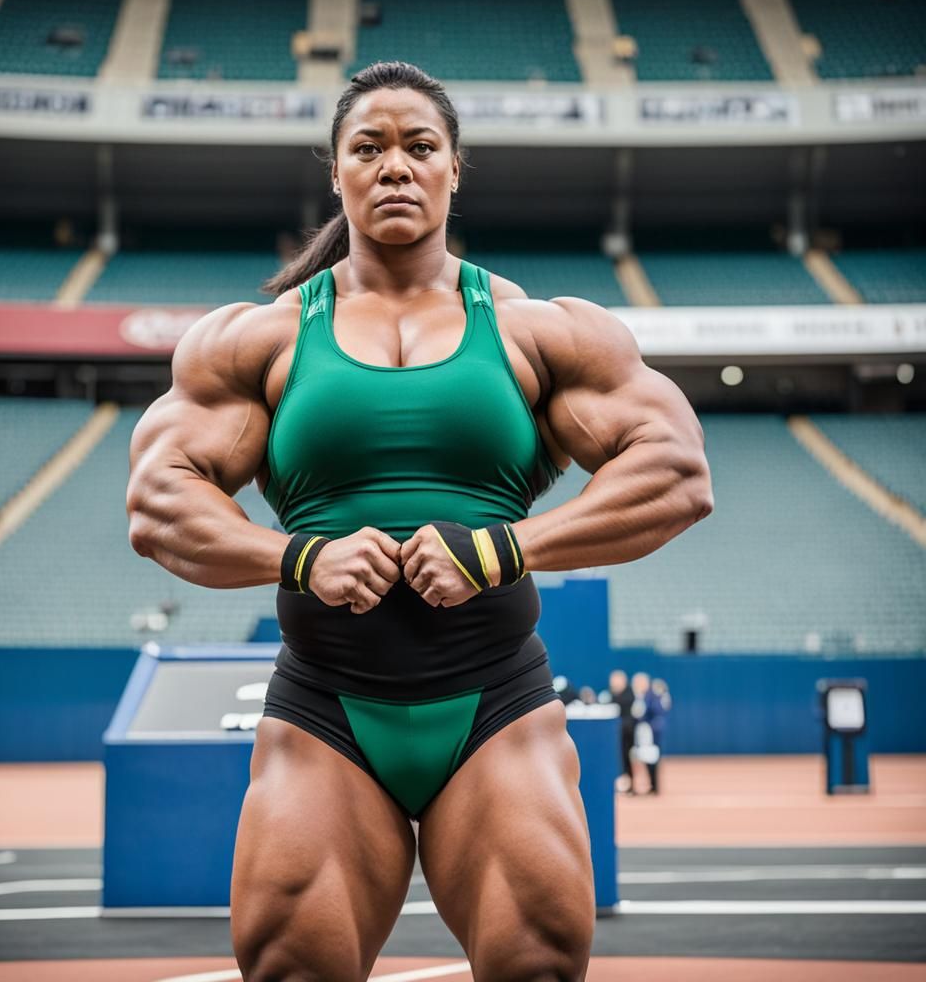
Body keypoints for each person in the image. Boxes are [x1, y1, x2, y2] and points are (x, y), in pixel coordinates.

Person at [126, 60, 713, 981]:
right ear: (336, 173)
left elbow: (676, 473)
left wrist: (507, 547)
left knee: (540, 966)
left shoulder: (539, 331)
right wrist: (296, 558)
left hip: (496, 705)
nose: (394, 165)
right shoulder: (257, 338)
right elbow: (160, 504)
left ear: (453, 169)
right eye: (368, 147)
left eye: (418, 146)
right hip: (326, 710)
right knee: (290, 968)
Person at [631, 671, 666, 794]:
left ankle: (654, 785)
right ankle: (638, 784)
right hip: (640, 732)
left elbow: (658, 711)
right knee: (639, 757)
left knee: (652, 758)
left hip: (650, 732)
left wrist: (652, 726)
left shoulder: (652, 696)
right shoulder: (637, 696)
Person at [607, 669, 637, 794]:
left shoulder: (629, 694)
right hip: (616, 734)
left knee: (628, 758)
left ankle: (631, 783)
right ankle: (622, 782)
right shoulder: (611, 694)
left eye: (616, 680)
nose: (613, 682)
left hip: (628, 733)